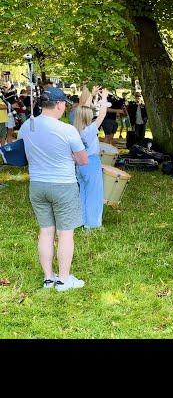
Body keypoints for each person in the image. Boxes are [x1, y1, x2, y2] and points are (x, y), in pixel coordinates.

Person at [19, 87, 89, 292]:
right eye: (64, 104)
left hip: (37, 184)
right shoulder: (67, 129)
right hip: (63, 185)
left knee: (46, 232)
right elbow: (83, 160)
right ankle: (64, 280)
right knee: (65, 233)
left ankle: (48, 278)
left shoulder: (27, 126)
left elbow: (22, 150)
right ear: (59, 105)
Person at [73, 87, 109, 229]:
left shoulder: (75, 129)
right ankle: (92, 224)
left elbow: (83, 110)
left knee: (83, 192)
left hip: (79, 164)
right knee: (94, 193)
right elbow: (102, 114)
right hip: (91, 162)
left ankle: (81, 220)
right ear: (88, 116)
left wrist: (92, 95)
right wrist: (104, 97)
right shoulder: (90, 129)